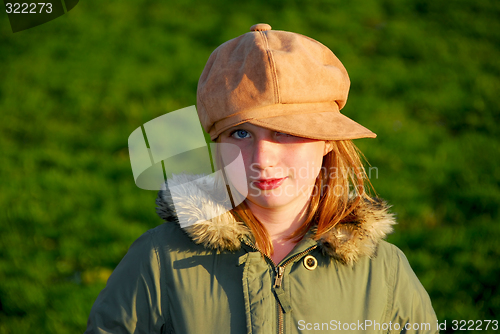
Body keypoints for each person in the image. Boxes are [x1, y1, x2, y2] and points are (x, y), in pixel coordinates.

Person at [85, 23, 438, 333]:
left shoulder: (384, 271)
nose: (262, 159)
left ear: (329, 139)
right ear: (218, 143)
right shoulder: (159, 260)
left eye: (285, 131)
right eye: (240, 133)